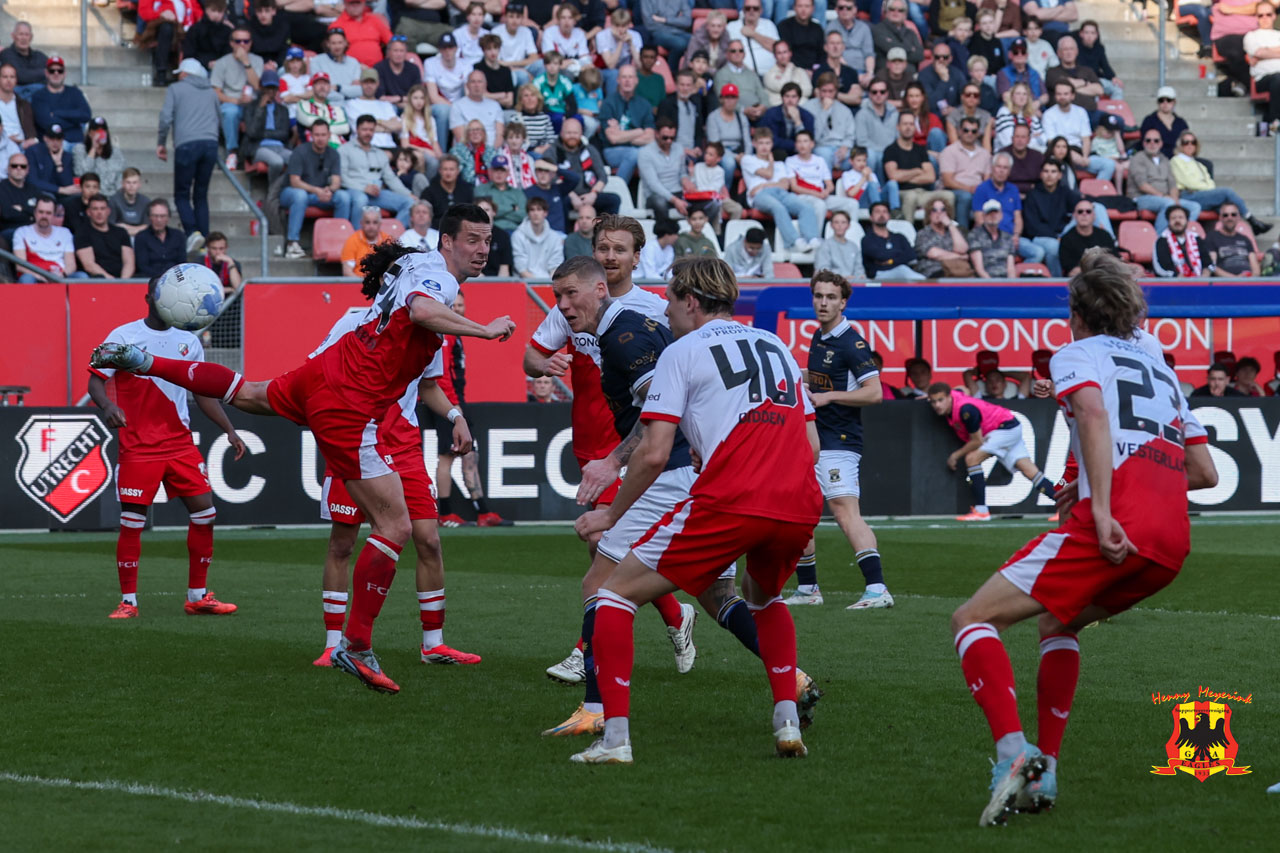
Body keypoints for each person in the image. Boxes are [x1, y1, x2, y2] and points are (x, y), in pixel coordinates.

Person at [91, 205, 516, 694]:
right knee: (395, 525)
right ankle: (354, 646)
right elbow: (421, 309)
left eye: (487, 242)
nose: (483, 250)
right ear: (447, 241)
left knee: (247, 392)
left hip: (329, 370)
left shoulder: (417, 262)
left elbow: (410, 310)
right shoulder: (440, 281)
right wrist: (483, 329)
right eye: (473, 240)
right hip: (352, 403)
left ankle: (144, 360)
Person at [568, 255, 820, 764]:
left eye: (670, 300)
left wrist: (610, 515)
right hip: (797, 501)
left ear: (690, 300)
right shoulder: (777, 346)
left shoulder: (682, 351)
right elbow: (811, 442)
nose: (664, 310)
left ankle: (614, 739)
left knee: (611, 596)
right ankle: (786, 720)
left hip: (731, 497)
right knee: (762, 598)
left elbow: (654, 451)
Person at [524, 215, 695, 687]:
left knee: (607, 543)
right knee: (606, 546)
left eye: (619, 249)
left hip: (632, 444)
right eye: (603, 247)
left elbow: (674, 378)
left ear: (637, 257)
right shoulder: (571, 301)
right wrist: (546, 362)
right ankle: (674, 614)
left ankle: (588, 654)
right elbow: (530, 356)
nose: (610, 256)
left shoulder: (653, 311)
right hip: (590, 439)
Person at [311, 318, 480, 665]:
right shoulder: (352, 320)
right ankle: (332, 644)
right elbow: (316, 368)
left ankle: (433, 644)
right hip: (354, 441)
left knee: (429, 540)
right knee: (342, 543)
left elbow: (428, 385)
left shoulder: (428, 329)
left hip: (403, 447)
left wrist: (455, 415)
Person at [87, 276, 245, 620]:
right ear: (149, 297)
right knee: (132, 523)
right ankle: (128, 602)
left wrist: (229, 429)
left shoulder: (189, 340)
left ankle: (198, 596)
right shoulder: (124, 336)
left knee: (206, 513)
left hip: (179, 443)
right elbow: (95, 380)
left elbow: (202, 393)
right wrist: (107, 407)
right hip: (139, 444)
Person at [785, 270, 892, 609]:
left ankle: (877, 589)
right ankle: (808, 589)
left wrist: (829, 398)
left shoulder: (851, 342)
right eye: (818, 296)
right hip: (815, 439)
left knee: (845, 512)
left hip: (840, 441)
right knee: (799, 511)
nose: (823, 303)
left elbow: (874, 393)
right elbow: (820, 379)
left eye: (831, 297)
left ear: (843, 302)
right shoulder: (820, 337)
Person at [428, 289, 511, 529]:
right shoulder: (445, 333)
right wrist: (453, 408)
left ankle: (482, 511)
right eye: (454, 305)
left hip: (455, 400)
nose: (458, 309)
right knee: (447, 456)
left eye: (461, 305)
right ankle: (444, 513)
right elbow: (439, 375)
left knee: (468, 454)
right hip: (448, 402)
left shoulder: (455, 332)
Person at [927, 379, 1055, 522]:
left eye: (940, 400)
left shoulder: (966, 410)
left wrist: (955, 456)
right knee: (1030, 471)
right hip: (1010, 426)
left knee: (972, 458)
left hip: (1003, 428)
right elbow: (963, 388)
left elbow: (977, 441)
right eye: (933, 402)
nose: (937, 405)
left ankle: (981, 510)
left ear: (949, 396)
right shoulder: (957, 394)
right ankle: (1066, 507)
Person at [159, 58, 219, 253]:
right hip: (210, 144)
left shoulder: (176, 89)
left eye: (181, 73)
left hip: (186, 144)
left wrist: (161, 142)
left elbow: (166, 117)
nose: (179, 76)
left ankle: (193, 233)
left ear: (186, 73)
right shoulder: (211, 91)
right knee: (201, 195)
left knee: (182, 194)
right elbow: (219, 116)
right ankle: (205, 243)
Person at [741, 126, 821, 252]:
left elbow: (785, 185)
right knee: (778, 207)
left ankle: (812, 239)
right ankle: (795, 242)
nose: (764, 147)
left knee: (806, 207)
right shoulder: (748, 159)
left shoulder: (780, 164)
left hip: (779, 193)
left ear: (772, 144)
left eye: (767, 143)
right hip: (760, 196)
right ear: (754, 143)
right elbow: (768, 174)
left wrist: (763, 185)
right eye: (761, 143)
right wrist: (771, 165)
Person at [1172, 132, 1271, 234]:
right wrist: (1207, 189)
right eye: (1186, 142)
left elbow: (1210, 183)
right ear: (1180, 145)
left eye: (1193, 142)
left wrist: (1207, 189)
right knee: (1227, 192)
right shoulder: (1176, 161)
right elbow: (1189, 183)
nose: (1189, 145)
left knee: (1226, 209)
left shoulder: (1199, 164)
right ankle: (1251, 220)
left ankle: (1236, 236)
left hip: (1202, 196)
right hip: (1189, 195)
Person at [281, 120, 351, 259]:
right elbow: (294, 181)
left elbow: (337, 181)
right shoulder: (300, 151)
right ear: (311, 135)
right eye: (317, 135)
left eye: (323, 135)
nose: (320, 138)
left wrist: (329, 190)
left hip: (318, 195)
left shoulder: (333, 153)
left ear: (329, 135)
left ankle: (339, 241)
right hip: (292, 193)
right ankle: (292, 243)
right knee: (300, 195)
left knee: (343, 197)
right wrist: (317, 191)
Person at [340, 115, 415, 227]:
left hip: (376, 193)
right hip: (354, 191)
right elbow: (342, 178)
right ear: (357, 130)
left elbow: (391, 179)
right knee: (361, 199)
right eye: (364, 129)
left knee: (410, 203)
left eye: (371, 130)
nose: (368, 133)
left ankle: (389, 239)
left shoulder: (379, 153)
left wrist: (409, 194)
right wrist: (364, 188)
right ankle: (358, 238)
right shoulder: (344, 150)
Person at [885, 111, 955, 224]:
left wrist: (904, 176)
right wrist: (917, 171)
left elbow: (931, 176)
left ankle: (947, 233)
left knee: (949, 195)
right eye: (905, 124)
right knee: (911, 196)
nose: (908, 127)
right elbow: (893, 176)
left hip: (923, 193)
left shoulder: (920, 149)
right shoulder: (891, 150)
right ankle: (907, 235)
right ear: (898, 127)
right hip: (902, 192)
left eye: (911, 124)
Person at [210, 28, 264, 171]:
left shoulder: (257, 61)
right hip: (231, 102)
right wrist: (236, 101)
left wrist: (246, 63)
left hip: (253, 103)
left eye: (246, 41)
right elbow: (215, 92)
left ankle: (255, 154)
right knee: (230, 112)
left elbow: (258, 86)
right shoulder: (222, 63)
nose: (242, 44)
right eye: (238, 41)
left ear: (251, 43)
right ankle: (232, 152)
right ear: (231, 43)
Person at [1127, 132, 1201, 236]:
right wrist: (1165, 197)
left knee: (1194, 207)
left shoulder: (1165, 159)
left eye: (1156, 140)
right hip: (1141, 198)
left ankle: (1181, 236)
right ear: (1143, 143)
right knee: (1168, 204)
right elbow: (1142, 185)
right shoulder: (1138, 158)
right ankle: (1161, 239)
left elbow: (1172, 184)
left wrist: (1175, 200)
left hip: (1165, 198)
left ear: (1161, 143)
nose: (1152, 143)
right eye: (1148, 140)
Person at [1040, 80, 1113, 183]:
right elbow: (1052, 142)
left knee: (1109, 165)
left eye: (1066, 94)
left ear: (1072, 96)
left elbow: (1086, 139)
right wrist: (1072, 156)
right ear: (1055, 96)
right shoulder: (1048, 114)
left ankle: (1093, 194)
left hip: (1080, 153)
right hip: (1059, 156)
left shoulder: (1080, 112)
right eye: (1059, 94)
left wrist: (1084, 157)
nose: (1062, 97)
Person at [598, 65, 654, 184]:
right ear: (618, 80)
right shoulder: (608, 103)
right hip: (612, 151)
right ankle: (617, 190)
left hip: (640, 149)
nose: (627, 81)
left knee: (651, 152)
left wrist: (623, 137)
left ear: (636, 80)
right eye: (624, 77)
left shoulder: (644, 104)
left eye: (630, 77)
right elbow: (613, 138)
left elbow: (650, 137)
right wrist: (639, 131)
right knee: (635, 153)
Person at [1022, 158, 1077, 275]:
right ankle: (1057, 282)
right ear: (1041, 174)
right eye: (1046, 171)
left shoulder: (1065, 192)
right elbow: (1032, 226)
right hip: (1037, 237)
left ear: (1060, 175)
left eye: (1053, 172)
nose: (1049, 175)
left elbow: (1080, 206)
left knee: (1093, 208)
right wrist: (1055, 237)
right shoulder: (1032, 195)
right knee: (1054, 247)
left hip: (1060, 236)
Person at [241, 71, 293, 185]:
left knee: (296, 160)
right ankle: (272, 194)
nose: (270, 92)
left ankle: (285, 190)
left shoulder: (283, 110)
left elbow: (284, 134)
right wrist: (261, 108)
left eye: (273, 88)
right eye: (267, 88)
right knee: (277, 162)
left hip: (280, 146)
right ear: (261, 87)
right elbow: (252, 133)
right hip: (259, 147)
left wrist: (263, 133)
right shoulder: (251, 107)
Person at [940, 115, 992, 229]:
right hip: (955, 191)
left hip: (978, 190)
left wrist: (980, 190)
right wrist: (969, 189)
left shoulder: (985, 154)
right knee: (966, 197)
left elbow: (987, 179)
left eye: (974, 131)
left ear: (978, 133)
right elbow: (947, 181)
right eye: (966, 130)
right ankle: (963, 232)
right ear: (959, 131)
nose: (970, 133)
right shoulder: (949, 151)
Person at [28, 55, 92, 146]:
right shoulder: (38, 96)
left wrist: (58, 113)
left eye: (60, 71)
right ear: (46, 73)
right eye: (52, 71)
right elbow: (47, 123)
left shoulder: (75, 92)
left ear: (65, 73)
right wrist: (74, 121)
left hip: (76, 144)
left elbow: (86, 115)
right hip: (51, 145)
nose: (56, 73)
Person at [12, 195, 77, 282]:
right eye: (41, 212)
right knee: (27, 279)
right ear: (35, 213)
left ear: (54, 215)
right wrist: (41, 276)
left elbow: (71, 264)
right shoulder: (22, 232)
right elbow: (20, 266)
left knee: (82, 276)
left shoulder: (65, 233)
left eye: (48, 213)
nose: (44, 216)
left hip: (60, 275)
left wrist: (62, 274)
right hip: (34, 275)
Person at [637, 116, 688, 224]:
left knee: (705, 204)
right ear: (656, 134)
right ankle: (666, 235)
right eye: (665, 137)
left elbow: (682, 172)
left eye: (672, 138)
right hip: (656, 195)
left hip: (678, 191)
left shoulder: (678, 148)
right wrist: (674, 200)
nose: (669, 141)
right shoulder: (645, 152)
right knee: (660, 202)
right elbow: (653, 184)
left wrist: (686, 181)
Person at [423, 33, 471, 146]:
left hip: (460, 103)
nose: (447, 51)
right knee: (444, 111)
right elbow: (433, 97)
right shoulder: (430, 63)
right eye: (444, 48)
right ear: (440, 50)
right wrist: (455, 108)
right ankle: (442, 151)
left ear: (456, 49)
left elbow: (468, 93)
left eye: (450, 47)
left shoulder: (466, 64)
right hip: (439, 104)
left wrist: (460, 108)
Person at [75, 194, 135, 279]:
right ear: (88, 212)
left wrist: (123, 281)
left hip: (123, 280)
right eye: (95, 209)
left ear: (108, 211)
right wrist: (111, 281)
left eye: (102, 208)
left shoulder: (121, 232)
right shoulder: (82, 233)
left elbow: (129, 262)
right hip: (98, 281)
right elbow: (89, 264)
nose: (99, 212)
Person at [347, 69, 405, 153]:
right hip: (363, 148)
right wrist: (388, 126)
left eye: (372, 82)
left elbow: (399, 126)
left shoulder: (386, 105)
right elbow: (359, 129)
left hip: (390, 146)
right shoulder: (352, 104)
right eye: (366, 82)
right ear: (360, 83)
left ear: (377, 84)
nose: (369, 86)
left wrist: (379, 122)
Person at [862, 201, 924, 279]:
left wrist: (890, 261)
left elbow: (911, 255)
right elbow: (881, 256)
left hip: (902, 273)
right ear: (871, 217)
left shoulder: (899, 237)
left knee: (903, 270)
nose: (881, 215)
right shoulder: (867, 239)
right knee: (904, 271)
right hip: (879, 275)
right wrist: (899, 254)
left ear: (889, 216)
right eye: (877, 212)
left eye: (885, 212)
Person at [1059, 198, 1120, 276]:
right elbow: (1072, 271)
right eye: (1080, 211)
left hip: (1105, 280)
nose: (1084, 214)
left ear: (1094, 216)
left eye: (1088, 211)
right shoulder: (1066, 239)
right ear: (1075, 215)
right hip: (1079, 282)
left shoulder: (1105, 235)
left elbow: (1114, 260)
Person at [914, 197, 972, 277]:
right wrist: (960, 257)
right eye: (934, 210)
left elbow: (962, 249)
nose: (939, 213)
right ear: (929, 214)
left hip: (958, 270)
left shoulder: (954, 231)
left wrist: (950, 225)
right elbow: (934, 254)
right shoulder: (923, 233)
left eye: (943, 209)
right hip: (935, 271)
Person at [714, 42, 770, 123]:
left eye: (741, 50)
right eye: (733, 51)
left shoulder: (751, 73)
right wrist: (743, 110)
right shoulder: (721, 74)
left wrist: (763, 107)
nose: (737, 53)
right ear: (727, 54)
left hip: (758, 112)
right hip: (737, 114)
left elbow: (762, 94)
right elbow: (723, 99)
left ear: (744, 54)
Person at [1042, 35, 1099, 113]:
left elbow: (1099, 90)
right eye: (1065, 49)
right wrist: (1085, 82)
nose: (1069, 52)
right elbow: (1064, 88)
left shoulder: (1087, 70)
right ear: (1058, 53)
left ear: (1077, 51)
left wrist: (1071, 88)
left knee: (1116, 121)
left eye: (1071, 49)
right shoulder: (1052, 72)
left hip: (1090, 113)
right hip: (1062, 114)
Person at [132, 199, 187, 278]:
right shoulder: (141, 237)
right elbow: (142, 266)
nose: (159, 220)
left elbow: (182, 263)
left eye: (162, 216)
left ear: (168, 217)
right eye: (155, 216)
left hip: (175, 279)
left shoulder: (178, 236)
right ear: (149, 217)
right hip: (150, 279)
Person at [1152, 205, 1211, 278]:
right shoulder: (1161, 241)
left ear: (1187, 220)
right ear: (1168, 221)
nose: (1177, 221)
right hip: (1173, 284)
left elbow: (1207, 262)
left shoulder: (1196, 238)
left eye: (1181, 217)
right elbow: (1160, 269)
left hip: (1199, 282)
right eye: (1173, 218)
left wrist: (1205, 275)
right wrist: (1179, 277)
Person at [512, 196, 565, 278]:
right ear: (528, 213)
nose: (535, 213)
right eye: (532, 210)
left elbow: (556, 265)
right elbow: (520, 267)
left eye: (539, 209)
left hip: (548, 284)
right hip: (524, 284)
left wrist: (547, 285)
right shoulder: (517, 236)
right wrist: (537, 284)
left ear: (545, 213)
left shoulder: (555, 238)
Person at [450, 69, 505, 147]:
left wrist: (491, 152)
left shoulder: (495, 106)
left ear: (485, 85)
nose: (476, 85)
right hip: (468, 152)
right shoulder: (457, 106)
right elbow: (461, 138)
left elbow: (500, 135)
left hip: (493, 151)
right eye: (473, 82)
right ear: (467, 85)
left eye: (480, 82)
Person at [1205, 203, 1261, 277]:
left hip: (1248, 281)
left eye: (1233, 214)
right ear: (1220, 218)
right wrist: (1235, 279)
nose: (1230, 218)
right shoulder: (1212, 237)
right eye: (1225, 215)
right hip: (1225, 283)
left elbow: (1255, 267)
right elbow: (1212, 266)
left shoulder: (1245, 239)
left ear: (1238, 217)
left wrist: (1251, 280)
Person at [310, 28, 364, 104]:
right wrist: (347, 94)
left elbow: (359, 91)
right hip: (328, 105)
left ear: (345, 43)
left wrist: (338, 88)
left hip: (352, 106)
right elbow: (320, 91)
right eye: (333, 43)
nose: (337, 46)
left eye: (340, 42)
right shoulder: (317, 61)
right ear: (328, 44)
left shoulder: (354, 62)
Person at [331, 0, 392, 67]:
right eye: (352, 3)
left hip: (378, 69)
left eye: (358, 3)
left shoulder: (374, 20)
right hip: (350, 69)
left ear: (364, 3)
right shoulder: (337, 25)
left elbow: (392, 42)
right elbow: (333, 53)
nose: (355, 6)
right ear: (345, 4)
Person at [727, 0, 780, 76]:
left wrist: (753, 34)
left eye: (755, 8)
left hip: (770, 74)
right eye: (748, 8)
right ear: (743, 10)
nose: (751, 11)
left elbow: (777, 49)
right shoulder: (732, 26)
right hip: (742, 75)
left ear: (761, 11)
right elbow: (728, 53)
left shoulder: (769, 24)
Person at [968, 198, 1017, 278]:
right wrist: (993, 286)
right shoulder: (975, 235)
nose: (993, 215)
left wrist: (1011, 286)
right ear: (983, 216)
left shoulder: (1008, 237)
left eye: (996, 212)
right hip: (985, 283)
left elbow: (1010, 268)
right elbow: (979, 269)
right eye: (989, 213)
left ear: (1001, 215)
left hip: (1005, 282)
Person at [1072, 19, 1121, 98]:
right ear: (1081, 34)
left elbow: (1105, 65)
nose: (1089, 36)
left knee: (1117, 88)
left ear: (1097, 35)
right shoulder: (1075, 48)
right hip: (1081, 80)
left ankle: (1116, 110)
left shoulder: (1099, 48)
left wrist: (1113, 77)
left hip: (1097, 79)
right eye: (1086, 32)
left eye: (1092, 33)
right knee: (1094, 92)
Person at [297, 73, 352, 141]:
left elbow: (345, 128)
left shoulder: (337, 109)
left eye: (325, 84)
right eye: (318, 83)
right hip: (312, 147)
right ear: (313, 87)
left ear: (329, 88)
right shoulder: (303, 104)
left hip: (337, 147)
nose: (322, 87)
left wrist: (319, 126)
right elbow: (308, 120)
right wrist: (332, 123)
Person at [341, 206, 394, 276]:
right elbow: (347, 272)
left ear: (380, 224)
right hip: (359, 283)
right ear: (361, 223)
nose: (371, 226)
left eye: (375, 222)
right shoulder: (352, 240)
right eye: (367, 222)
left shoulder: (387, 240)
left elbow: (392, 268)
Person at [1138, 87, 1188, 160]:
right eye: (1161, 100)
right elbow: (1145, 143)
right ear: (1158, 102)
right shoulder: (1149, 121)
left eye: (1168, 100)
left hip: (1179, 158)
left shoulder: (1181, 122)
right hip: (1156, 158)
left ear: (1174, 102)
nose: (1165, 103)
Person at [27, 123, 75, 198]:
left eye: (58, 139)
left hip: (61, 196)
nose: (55, 142)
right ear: (45, 138)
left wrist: (58, 164)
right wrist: (59, 189)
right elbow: (32, 180)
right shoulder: (34, 152)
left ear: (62, 140)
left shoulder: (67, 156)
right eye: (52, 138)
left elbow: (67, 184)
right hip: (39, 193)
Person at [994, 81, 1045, 151]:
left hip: (1032, 153)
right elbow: (1009, 142)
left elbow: (1043, 140)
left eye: (1025, 94)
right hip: (1007, 154)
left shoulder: (1031, 115)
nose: (1022, 97)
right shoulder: (1004, 112)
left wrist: (1028, 139)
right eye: (1018, 94)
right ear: (1012, 96)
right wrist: (1032, 137)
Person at [816, 210, 866, 279]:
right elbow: (823, 270)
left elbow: (859, 269)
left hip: (853, 284)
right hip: (832, 285)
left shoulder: (854, 247)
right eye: (836, 222)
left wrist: (859, 277)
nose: (840, 225)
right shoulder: (825, 246)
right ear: (831, 225)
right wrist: (843, 278)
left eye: (843, 222)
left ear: (848, 225)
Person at [375, 35, 423, 107]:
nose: (399, 54)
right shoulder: (379, 68)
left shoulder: (414, 69)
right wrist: (402, 99)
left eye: (401, 51)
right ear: (388, 52)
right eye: (395, 51)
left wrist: (397, 99)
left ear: (406, 53)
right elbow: (380, 97)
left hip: (410, 106)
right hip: (387, 107)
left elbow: (418, 96)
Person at [0, 21, 48, 92]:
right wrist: (44, 72)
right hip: (17, 98)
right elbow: (20, 76)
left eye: (26, 35)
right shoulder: (7, 54)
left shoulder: (39, 56)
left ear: (31, 37)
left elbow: (54, 73)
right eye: (20, 34)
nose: (24, 38)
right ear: (13, 36)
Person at [946, 83, 994, 148]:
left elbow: (986, 144)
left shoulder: (986, 116)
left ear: (979, 99)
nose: (972, 97)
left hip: (980, 154)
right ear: (962, 97)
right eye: (968, 95)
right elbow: (954, 144)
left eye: (976, 95)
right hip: (958, 153)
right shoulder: (952, 116)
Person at [475, 197, 513, 276]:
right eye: (480, 210)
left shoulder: (503, 236)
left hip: (499, 282)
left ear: (494, 212)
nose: (483, 213)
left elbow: (504, 268)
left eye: (487, 210)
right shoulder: (468, 236)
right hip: (475, 280)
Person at [109, 167, 150, 239]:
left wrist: (124, 226)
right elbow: (111, 226)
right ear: (122, 184)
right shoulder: (114, 200)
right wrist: (138, 228)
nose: (131, 186)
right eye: (128, 182)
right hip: (119, 238)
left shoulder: (146, 201)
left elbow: (147, 226)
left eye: (134, 182)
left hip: (141, 238)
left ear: (139, 184)